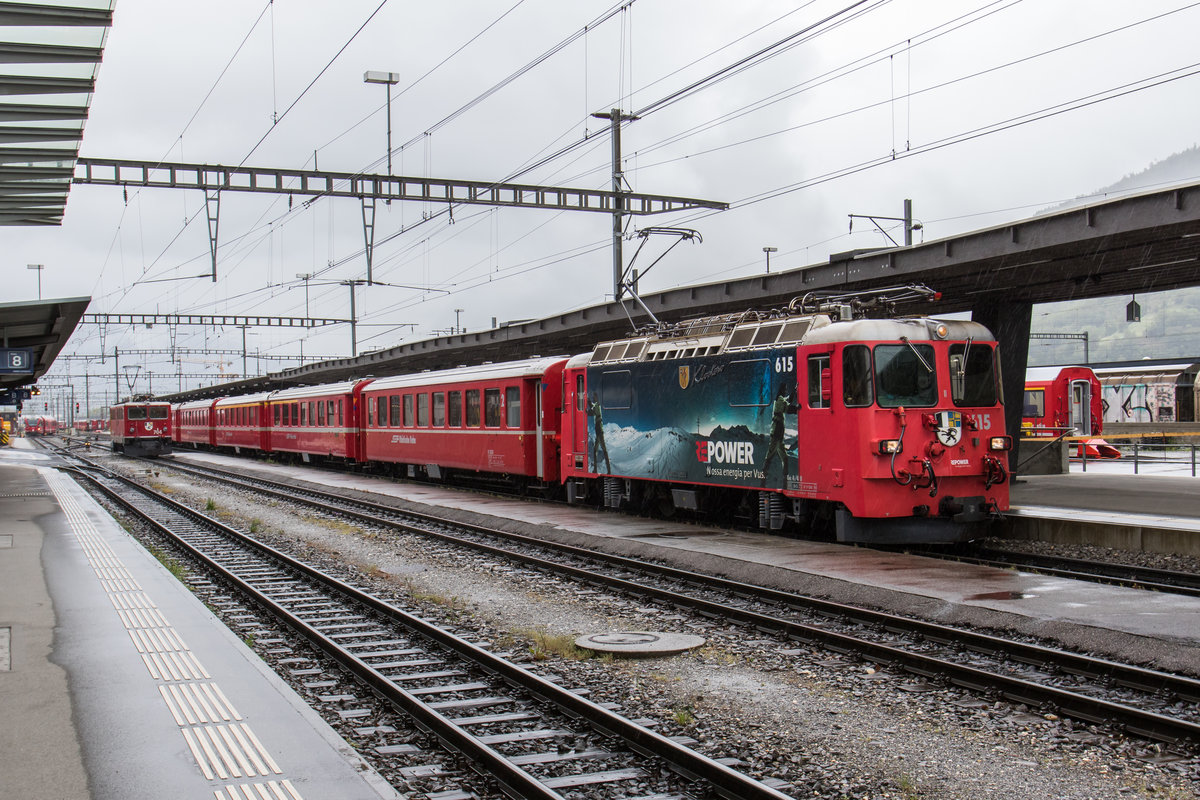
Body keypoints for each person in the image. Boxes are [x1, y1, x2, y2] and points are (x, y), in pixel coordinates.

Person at [763, 384, 797, 487]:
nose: (786, 390)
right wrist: (797, 409)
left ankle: (785, 480)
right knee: (769, 456)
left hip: (779, 435)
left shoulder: (780, 399)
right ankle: (763, 476)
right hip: (776, 434)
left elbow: (788, 401)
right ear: (782, 389)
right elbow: (788, 408)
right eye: (785, 389)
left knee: (784, 458)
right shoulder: (779, 399)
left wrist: (794, 391)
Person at [587, 392, 611, 473]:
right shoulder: (596, 405)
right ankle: (595, 469)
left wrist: (586, 411)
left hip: (599, 431)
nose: (593, 399)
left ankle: (609, 470)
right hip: (598, 431)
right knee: (595, 451)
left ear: (596, 398)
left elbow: (592, 412)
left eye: (594, 397)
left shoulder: (597, 406)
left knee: (604, 450)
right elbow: (592, 407)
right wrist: (588, 400)